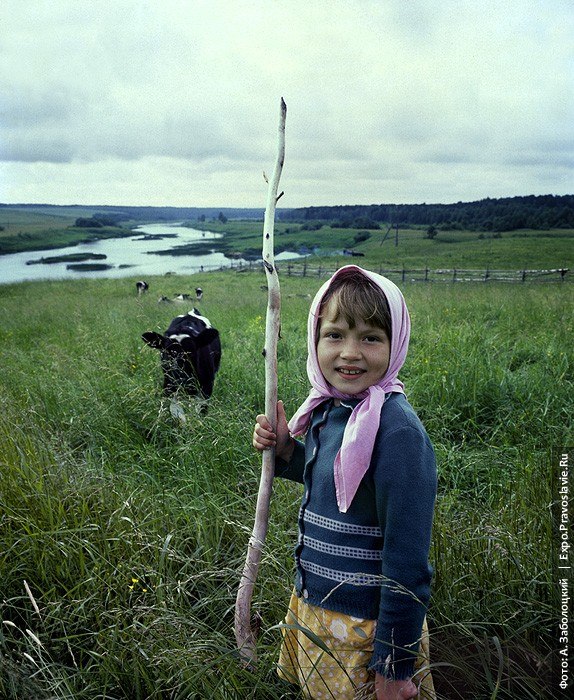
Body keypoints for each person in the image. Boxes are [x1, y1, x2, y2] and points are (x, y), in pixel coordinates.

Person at [253, 265, 437, 700]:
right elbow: (334, 481)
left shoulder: (398, 433)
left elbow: (407, 568)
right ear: (315, 340)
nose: (350, 353)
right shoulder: (329, 410)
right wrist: (285, 452)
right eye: (334, 335)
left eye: (370, 338)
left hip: (366, 632)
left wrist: (393, 668)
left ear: (395, 345)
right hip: (317, 613)